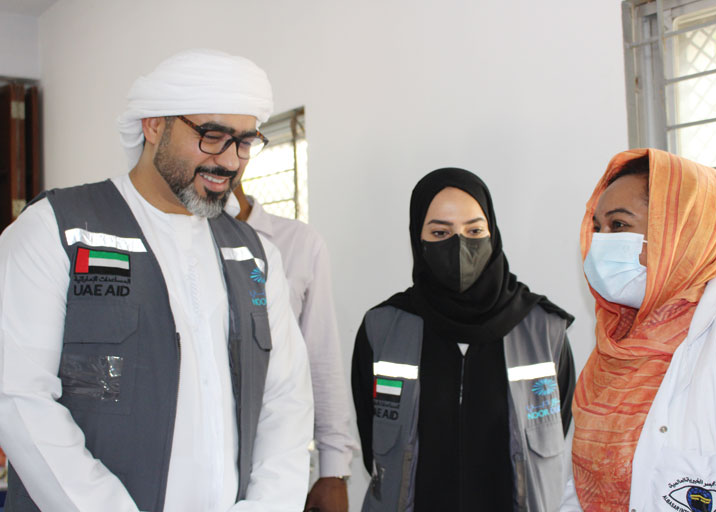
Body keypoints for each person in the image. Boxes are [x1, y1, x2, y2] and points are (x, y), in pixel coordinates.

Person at [0, 49, 313, 512]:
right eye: (212, 137)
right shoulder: (55, 228)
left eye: (245, 142)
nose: (230, 161)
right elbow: (19, 397)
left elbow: (286, 403)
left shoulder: (255, 253)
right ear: (153, 126)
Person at [561, 148, 716, 511]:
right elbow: (578, 488)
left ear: (682, 232)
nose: (600, 242)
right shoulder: (616, 341)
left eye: (618, 225)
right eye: (597, 228)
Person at [352, 167, 575, 512]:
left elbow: (554, 434)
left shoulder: (543, 329)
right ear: (417, 238)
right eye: (440, 232)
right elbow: (375, 447)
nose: (459, 245)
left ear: (492, 233)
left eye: (474, 230)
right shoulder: (382, 328)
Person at [234, 184, 358, 512]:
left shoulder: (298, 242)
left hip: (278, 461)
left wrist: (334, 469)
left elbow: (320, 356)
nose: (227, 159)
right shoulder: (183, 242)